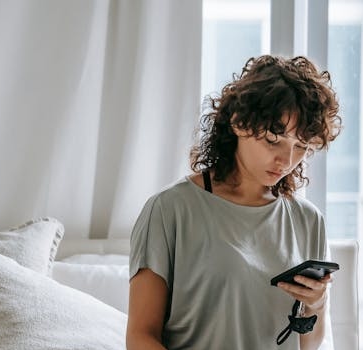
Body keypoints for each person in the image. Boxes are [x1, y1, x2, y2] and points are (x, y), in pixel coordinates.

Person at [126, 55, 342, 350]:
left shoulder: (308, 220)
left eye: (301, 146)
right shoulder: (169, 210)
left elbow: (308, 344)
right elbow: (140, 336)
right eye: (273, 139)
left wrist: (316, 304)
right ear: (239, 122)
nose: (287, 160)